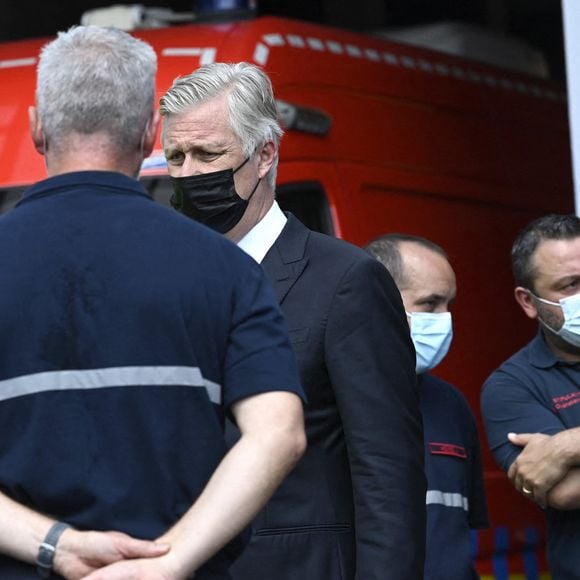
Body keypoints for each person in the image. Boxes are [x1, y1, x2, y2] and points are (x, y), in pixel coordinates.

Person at [0, 26, 307, 580]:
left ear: (38, 128)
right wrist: (169, 561)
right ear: (148, 133)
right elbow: (278, 431)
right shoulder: (227, 268)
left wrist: (57, 546)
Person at [159, 61, 426, 580]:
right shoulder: (163, 280)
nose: (189, 173)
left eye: (208, 153)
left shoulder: (348, 279)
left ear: (265, 155)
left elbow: (387, 474)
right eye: (175, 156)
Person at [365, 233, 489, 579]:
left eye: (449, 304)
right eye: (430, 304)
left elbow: (461, 534)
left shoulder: (451, 405)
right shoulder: (326, 399)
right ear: (377, 299)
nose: (444, 320)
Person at [480, 213, 580, 579]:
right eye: (571, 285)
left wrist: (566, 445)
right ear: (528, 301)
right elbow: (566, 490)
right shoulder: (510, 387)